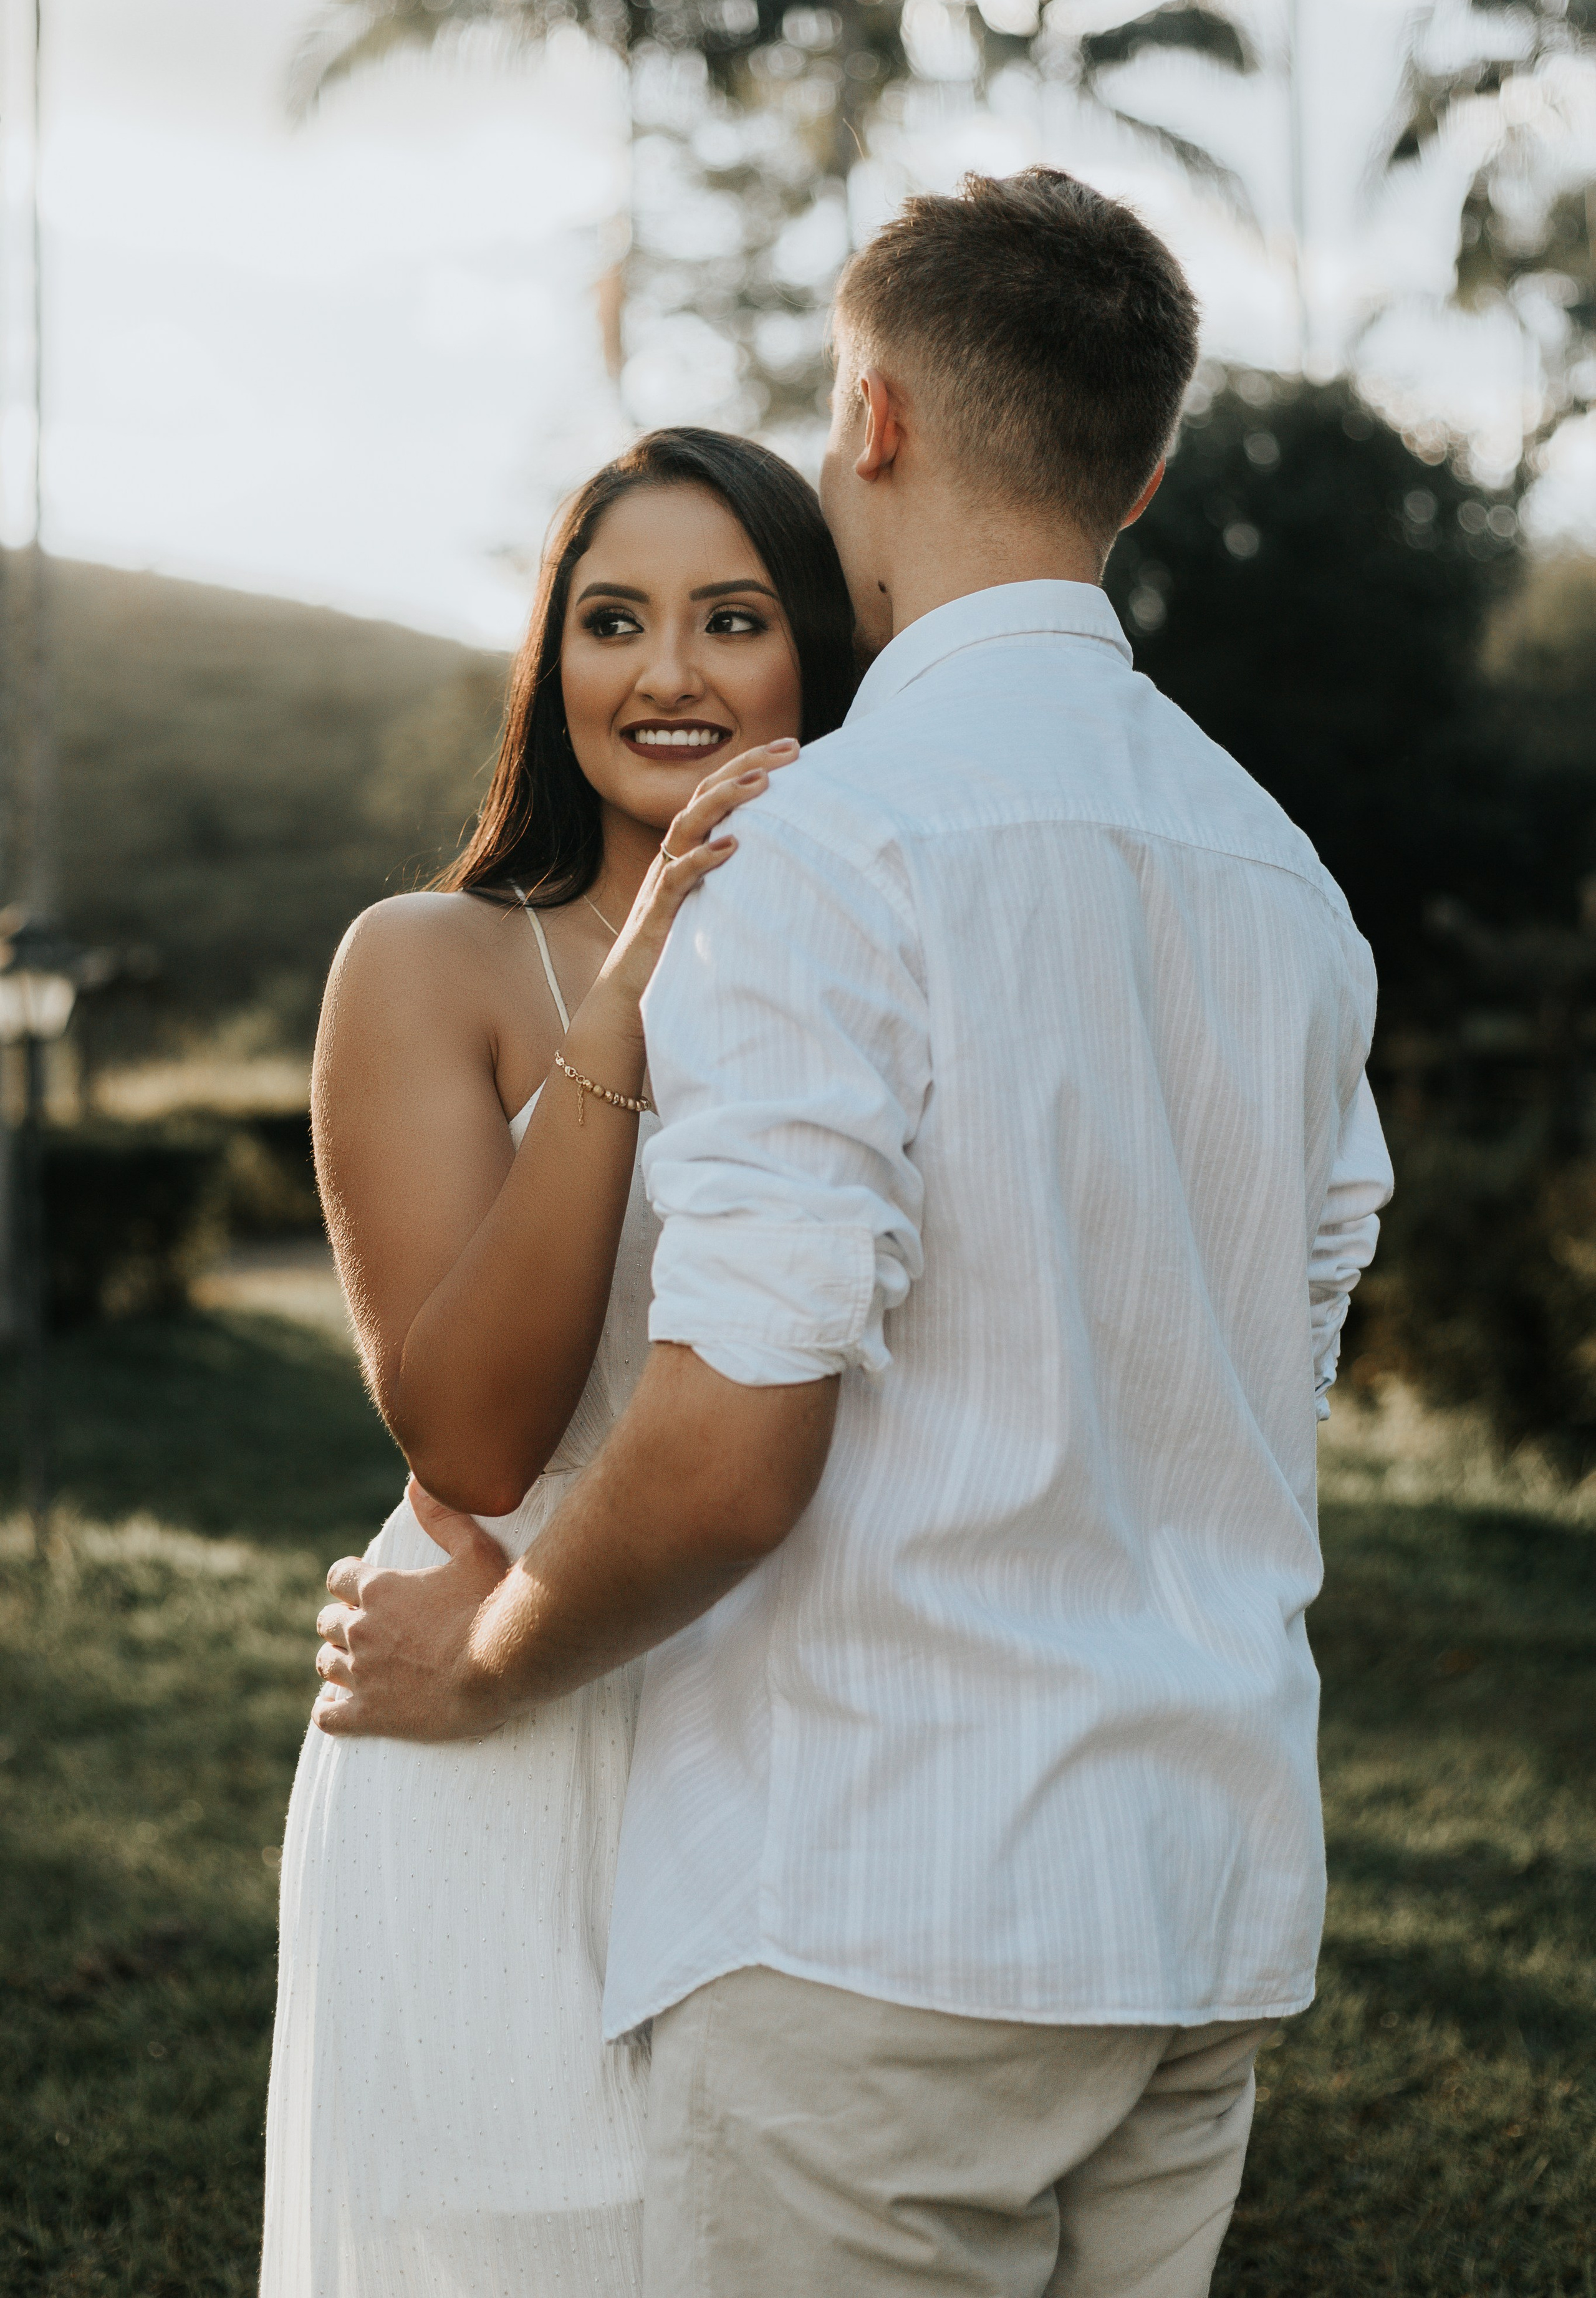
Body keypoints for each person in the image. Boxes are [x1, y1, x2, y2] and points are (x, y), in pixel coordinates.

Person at [313, 170, 1395, 2298]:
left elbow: (726, 1458)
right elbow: (1275, 1371)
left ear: (872, 423)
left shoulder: (838, 843)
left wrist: (491, 1661)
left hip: (882, 1900)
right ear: (1149, 472)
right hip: (1199, 1905)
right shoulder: (1282, 879)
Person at [258, 427, 857, 2298]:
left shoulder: (889, 953)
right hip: (493, 1720)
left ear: (815, 660)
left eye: (729, 619)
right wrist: (628, 993)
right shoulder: (427, 960)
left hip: (800, 1706)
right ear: (552, 665)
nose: (666, 672)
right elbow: (479, 1439)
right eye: (613, 620)